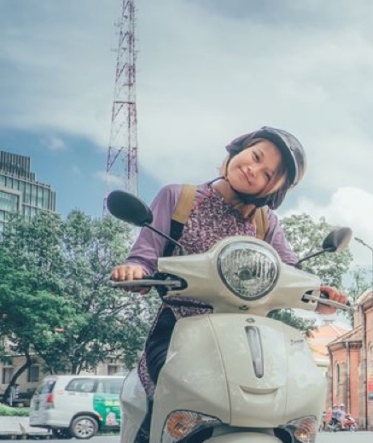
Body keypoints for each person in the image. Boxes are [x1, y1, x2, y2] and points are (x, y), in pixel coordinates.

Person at [110, 126, 347, 397]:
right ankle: (149, 437)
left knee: (287, 392)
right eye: (256, 157)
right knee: (172, 388)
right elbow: (145, 256)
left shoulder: (265, 222)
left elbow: (290, 271)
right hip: (179, 328)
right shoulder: (179, 198)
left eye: (267, 174)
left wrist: (318, 296)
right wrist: (135, 270)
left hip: (246, 337)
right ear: (240, 149)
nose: (253, 170)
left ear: (273, 190)